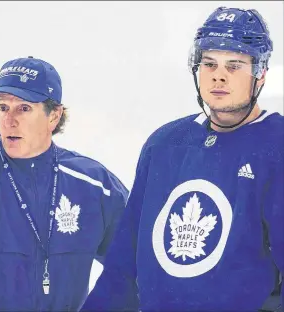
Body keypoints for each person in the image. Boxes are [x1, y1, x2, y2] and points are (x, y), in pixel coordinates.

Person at [81, 6, 284, 312]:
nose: (218, 75)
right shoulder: (165, 144)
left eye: (234, 65)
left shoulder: (276, 144)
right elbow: (123, 267)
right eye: (209, 63)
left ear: (260, 74)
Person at [0, 56, 128, 311]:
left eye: (23, 108)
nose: (9, 120)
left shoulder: (94, 185)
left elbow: (136, 262)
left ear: (54, 116)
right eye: (2, 107)